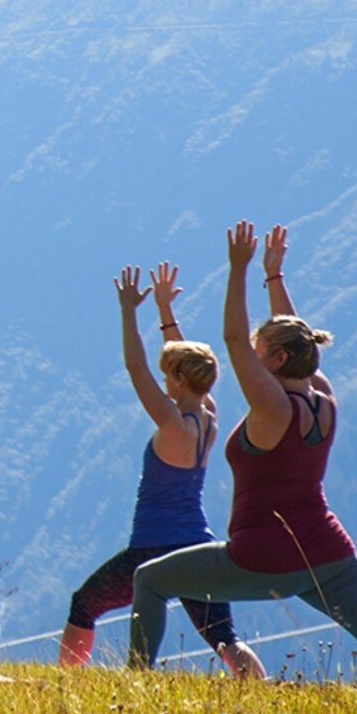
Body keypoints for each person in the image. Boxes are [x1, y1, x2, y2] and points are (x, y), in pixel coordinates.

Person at [128, 225, 357, 690]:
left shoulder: (273, 407)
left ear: (279, 360)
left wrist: (240, 268)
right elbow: (298, 338)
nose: (250, 355)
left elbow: (231, 337)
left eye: (259, 350)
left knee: (149, 580)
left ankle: (134, 684)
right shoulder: (323, 399)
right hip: (328, 553)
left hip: (262, 556)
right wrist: (274, 276)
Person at [57, 263, 264, 676]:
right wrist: (166, 313)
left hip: (152, 547)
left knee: (85, 603)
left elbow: (137, 370)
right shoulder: (209, 416)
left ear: (179, 380)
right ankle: (263, 689)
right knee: (225, 637)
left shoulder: (173, 423)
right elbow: (187, 364)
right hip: (197, 544)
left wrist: (129, 312)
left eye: (169, 375)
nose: (163, 379)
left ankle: (67, 682)